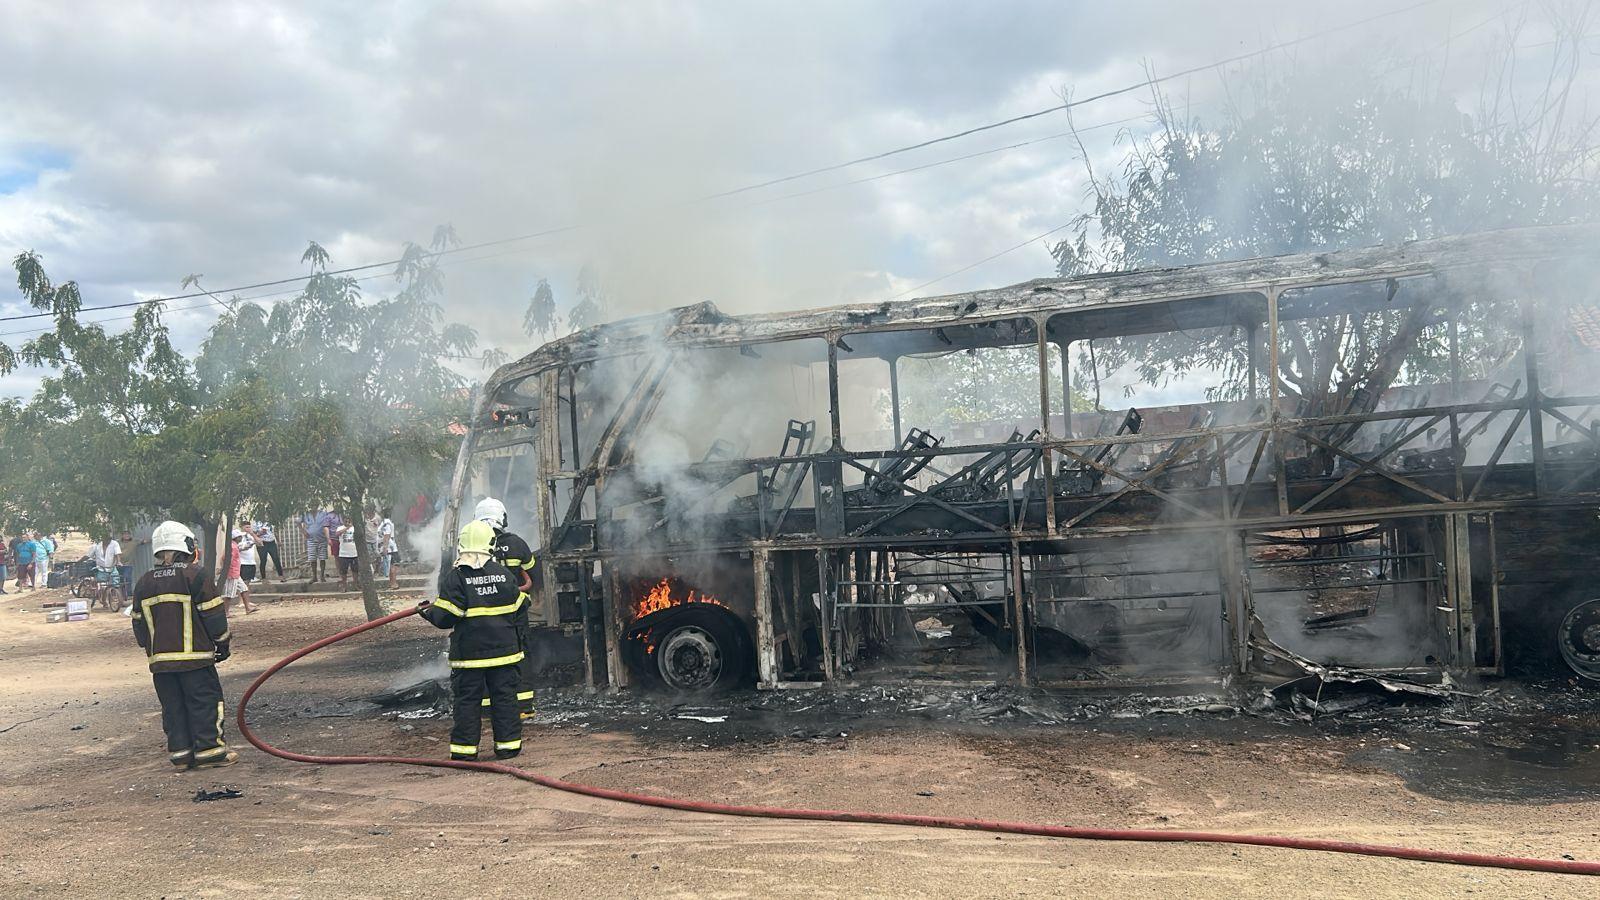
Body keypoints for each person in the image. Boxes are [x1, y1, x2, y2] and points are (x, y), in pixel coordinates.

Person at [131, 520, 237, 769]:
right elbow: (214, 616)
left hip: (161, 664)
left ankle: (181, 754)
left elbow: (138, 625)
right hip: (195, 661)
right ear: (187, 546)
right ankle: (210, 752)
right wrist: (222, 644)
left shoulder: (144, 582)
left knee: (173, 708)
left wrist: (153, 648)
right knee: (204, 703)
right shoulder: (195, 576)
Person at [421, 520, 525, 761]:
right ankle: (508, 747)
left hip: (470, 656)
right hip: (504, 654)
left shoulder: (457, 577)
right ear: (491, 543)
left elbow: (446, 617)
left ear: (462, 545)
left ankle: (465, 752)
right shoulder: (504, 574)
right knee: (505, 699)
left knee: (468, 701)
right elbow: (520, 606)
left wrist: (427, 612)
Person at [475, 498, 538, 720]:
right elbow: (533, 572)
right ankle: (523, 706)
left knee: (485, 658)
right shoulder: (516, 543)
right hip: (514, 613)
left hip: (482, 614)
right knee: (520, 656)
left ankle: (486, 708)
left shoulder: (472, 548)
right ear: (502, 518)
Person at [221, 533, 258, 615]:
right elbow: (225, 558)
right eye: (240, 537)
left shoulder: (233, 545)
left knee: (244, 589)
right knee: (229, 594)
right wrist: (226, 568)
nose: (241, 538)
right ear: (236, 538)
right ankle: (225, 612)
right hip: (232, 573)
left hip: (236, 573)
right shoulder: (233, 547)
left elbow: (242, 548)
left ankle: (248, 608)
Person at [90, 534, 123, 610]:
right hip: (101, 569)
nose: (108, 541)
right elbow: (89, 555)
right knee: (103, 586)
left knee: (116, 583)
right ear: (102, 539)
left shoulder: (114, 543)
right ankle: (103, 599)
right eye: (106, 539)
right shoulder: (96, 545)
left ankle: (118, 598)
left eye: (109, 539)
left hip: (112, 568)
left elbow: (117, 554)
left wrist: (119, 562)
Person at [302, 510, 330, 583]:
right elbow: (298, 522)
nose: (313, 506)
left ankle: (322, 576)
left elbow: (327, 524)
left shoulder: (323, 513)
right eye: (312, 505)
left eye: (315, 504)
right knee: (312, 559)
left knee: (322, 558)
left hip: (322, 539)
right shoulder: (306, 514)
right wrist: (303, 532)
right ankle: (314, 577)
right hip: (311, 540)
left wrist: (328, 537)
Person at [117, 529, 143, 605]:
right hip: (119, 564)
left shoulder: (134, 542)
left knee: (127, 578)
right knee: (120, 580)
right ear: (122, 536)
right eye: (125, 534)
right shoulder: (118, 543)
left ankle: (129, 594)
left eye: (128, 534)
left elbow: (143, 541)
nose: (126, 536)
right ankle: (122, 595)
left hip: (128, 564)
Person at [376, 508, 399, 590]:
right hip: (389, 548)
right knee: (391, 565)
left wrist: (385, 547)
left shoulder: (386, 523)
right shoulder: (385, 523)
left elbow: (387, 535)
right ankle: (392, 583)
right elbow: (386, 535)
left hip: (389, 548)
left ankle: (393, 583)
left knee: (391, 565)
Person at [336, 515, 359, 588]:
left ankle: (355, 585)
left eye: (349, 520)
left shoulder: (354, 528)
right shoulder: (340, 528)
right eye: (346, 520)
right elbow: (337, 534)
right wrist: (347, 528)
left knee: (355, 571)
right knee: (343, 571)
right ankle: (344, 586)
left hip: (354, 553)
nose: (347, 522)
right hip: (343, 554)